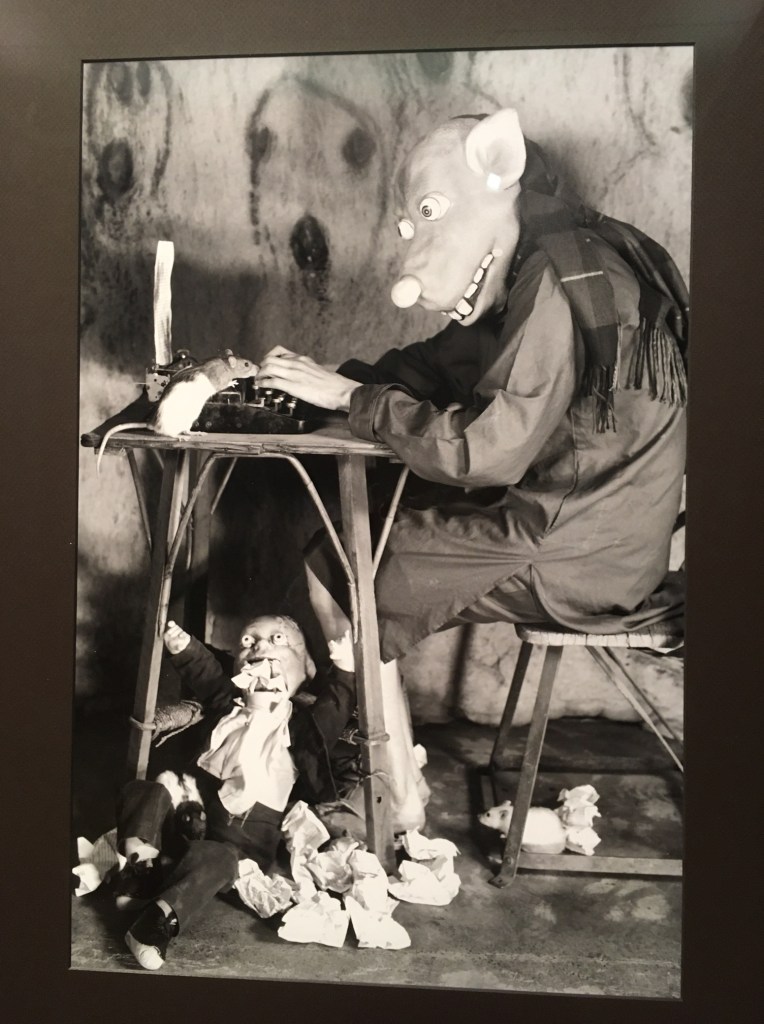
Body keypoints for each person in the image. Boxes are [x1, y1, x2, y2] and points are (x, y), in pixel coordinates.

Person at [256, 107, 688, 671]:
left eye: (431, 211)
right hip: (609, 546)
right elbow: (443, 362)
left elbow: (487, 452)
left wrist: (348, 398)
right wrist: (332, 380)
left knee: (345, 559)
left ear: (501, 165)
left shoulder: (554, 280)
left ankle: (361, 727)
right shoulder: (560, 256)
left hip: (574, 555)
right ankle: (370, 719)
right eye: (411, 226)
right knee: (369, 532)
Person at [117, 614, 359, 970]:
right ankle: (142, 870)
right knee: (146, 791)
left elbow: (335, 708)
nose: (259, 647)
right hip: (194, 814)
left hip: (245, 838)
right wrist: (184, 647)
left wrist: (345, 668)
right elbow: (207, 675)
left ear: (305, 669)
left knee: (221, 859)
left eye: (277, 641)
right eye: (249, 642)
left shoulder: (302, 728)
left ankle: (155, 922)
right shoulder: (229, 704)